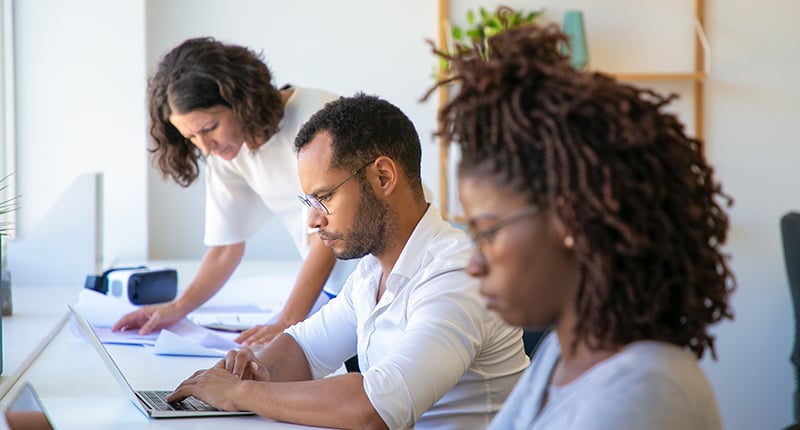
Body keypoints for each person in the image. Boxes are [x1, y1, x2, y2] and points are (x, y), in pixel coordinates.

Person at [433, 24, 736, 429]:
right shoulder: (562, 351)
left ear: (569, 218)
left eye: (487, 233)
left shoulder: (644, 394)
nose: (474, 264)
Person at [168, 94, 529, 429]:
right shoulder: (372, 272)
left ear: (383, 177)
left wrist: (240, 394)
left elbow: (374, 408)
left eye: (323, 197)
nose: (312, 221)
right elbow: (305, 348)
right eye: (309, 202)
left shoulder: (456, 276)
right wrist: (250, 370)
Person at [113, 37, 355, 346]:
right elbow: (225, 248)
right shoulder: (230, 151)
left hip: (396, 271)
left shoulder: (317, 117)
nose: (205, 146)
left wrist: (287, 321)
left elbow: (327, 234)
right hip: (340, 287)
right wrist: (177, 308)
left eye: (209, 127)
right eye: (190, 136)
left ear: (240, 100)